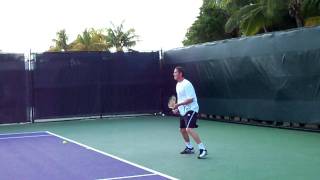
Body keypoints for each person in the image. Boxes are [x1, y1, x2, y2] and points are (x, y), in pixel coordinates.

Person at [172, 66, 207, 159]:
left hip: (192, 109)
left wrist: (178, 105)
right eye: (174, 72)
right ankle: (189, 148)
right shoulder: (178, 84)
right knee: (182, 130)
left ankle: (203, 149)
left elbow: (190, 99)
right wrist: (178, 108)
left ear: (180, 73)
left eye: (175, 72)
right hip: (183, 110)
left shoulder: (187, 84)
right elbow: (181, 99)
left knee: (189, 129)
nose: (173, 74)